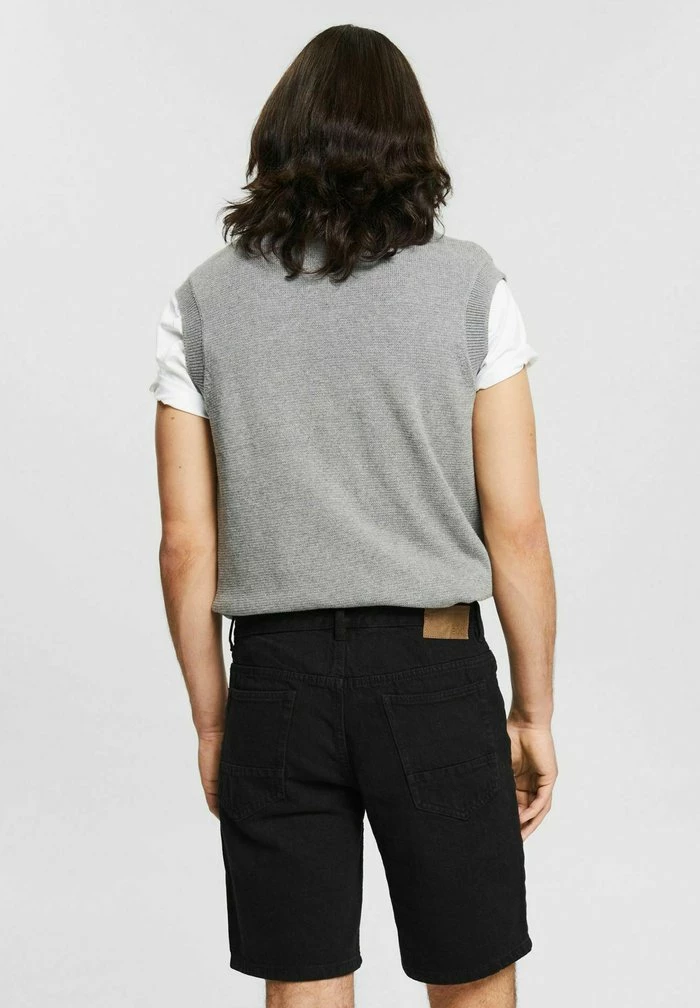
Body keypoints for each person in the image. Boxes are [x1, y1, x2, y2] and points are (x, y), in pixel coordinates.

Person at [151, 23, 557, 1008]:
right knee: (471, 980)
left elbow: (186, 544)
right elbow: (516, 526)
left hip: (276, 682)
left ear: (278, 137)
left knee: (303, 984)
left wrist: (213, 720)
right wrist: (533, 711)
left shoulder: (203, 303)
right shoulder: (471, 288)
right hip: (434, 671)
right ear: (411, 144)